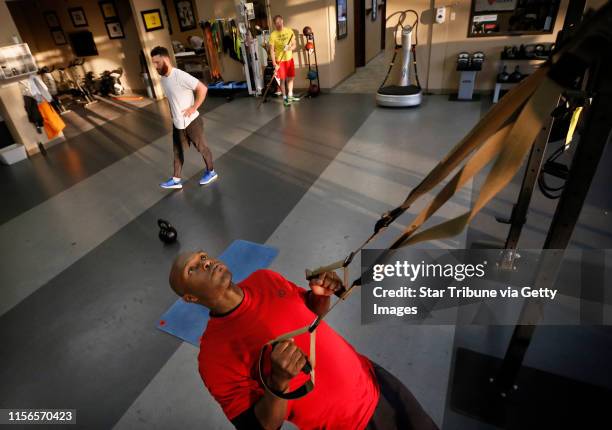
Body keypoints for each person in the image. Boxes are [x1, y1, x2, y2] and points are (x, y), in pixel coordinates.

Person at [169, 250, 439, 430]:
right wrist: (279, 384)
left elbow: (311, 314)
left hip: (374, 380)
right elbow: (259, 427)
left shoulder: (265, 278)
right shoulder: (213, 357)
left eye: (203, 256)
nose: (205, 262)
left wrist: (321, 295)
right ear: (189, 298)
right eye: (193, 269)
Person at [150, 46, 217, 189]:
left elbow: (202, 88)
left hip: (192, 121)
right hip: (178, 123)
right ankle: (176, 179)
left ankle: (211, 171)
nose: (155, 66)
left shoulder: (179, 75)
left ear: (166, 59)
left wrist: (193, 108)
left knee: (202, 148)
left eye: (157, 62)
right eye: (153, 63)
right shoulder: (163, 79)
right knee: (177, 150)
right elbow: (172, 99)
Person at [268, 15, 298, 107]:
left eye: (280, 22)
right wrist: (274, 64)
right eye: (276, 23)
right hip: (280, 61)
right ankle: (285, 98)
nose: (279, 24)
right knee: (282, 80)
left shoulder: (289, 31)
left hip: (289, 59)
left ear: (282, 21)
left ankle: (290, 95)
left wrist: (289, 48)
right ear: (274, 24)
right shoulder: (273, 35)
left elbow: (294, 45)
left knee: (291, 78)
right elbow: (272, 51)